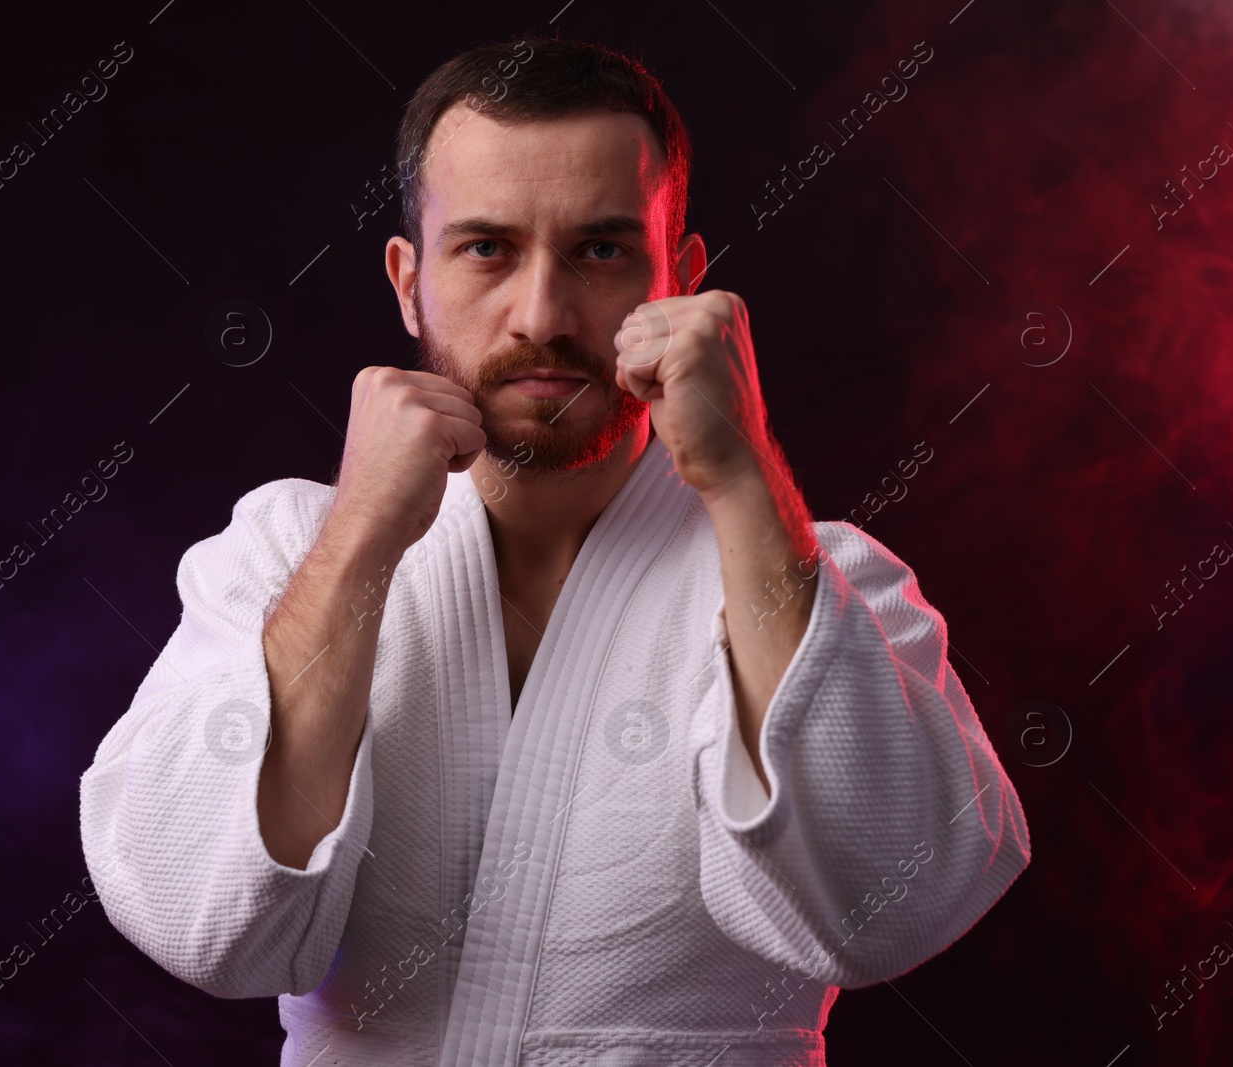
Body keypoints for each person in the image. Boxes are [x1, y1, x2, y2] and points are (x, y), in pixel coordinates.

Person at [79, 36, 1030, 1066]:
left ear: (686, 280)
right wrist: (358, 540)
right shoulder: (283, 551)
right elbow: (199, 921)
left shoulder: (828, 575)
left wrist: (743, 479)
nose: (543, 315)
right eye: (486, 248)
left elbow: (886, 908)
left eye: (601, 250)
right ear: (408, 282)